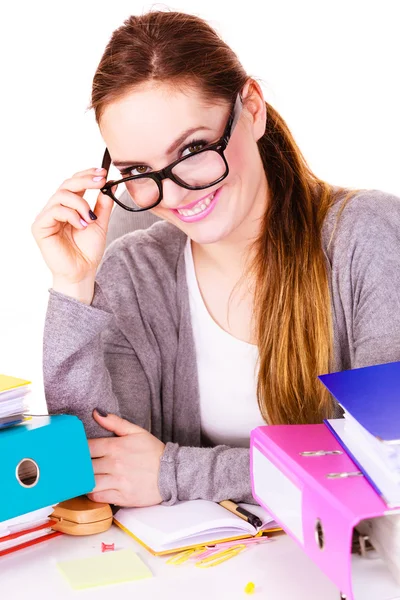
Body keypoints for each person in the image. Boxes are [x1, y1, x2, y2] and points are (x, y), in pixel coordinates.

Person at [32, 10, 400, 508]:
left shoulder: (366, 235)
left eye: (194, 148)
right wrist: (73, 285)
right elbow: (99, 471)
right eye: (139, 170)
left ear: (251, 107)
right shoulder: (136, 271)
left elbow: (389, 453)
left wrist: (178, 473)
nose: (175, 194)